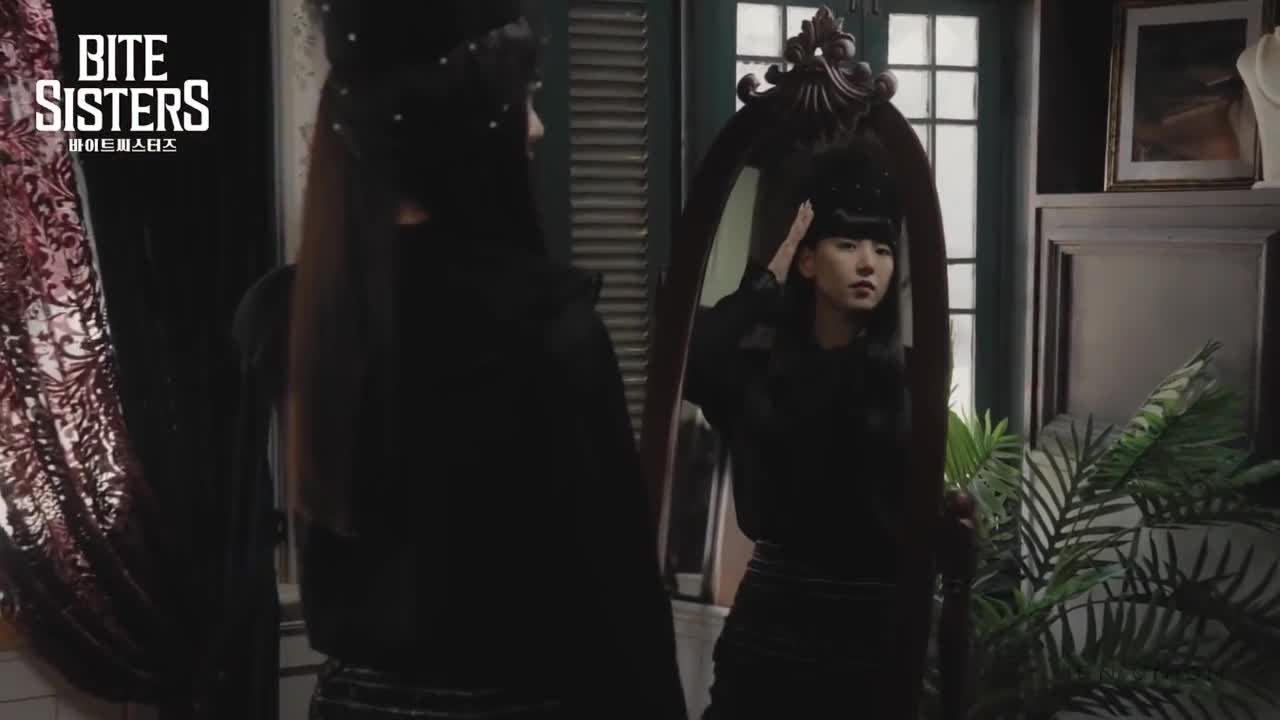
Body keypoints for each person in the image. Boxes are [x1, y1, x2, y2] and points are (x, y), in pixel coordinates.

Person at [232, 2, 687, 718]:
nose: (536, 128)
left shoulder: (291, 319)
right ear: (466, 121)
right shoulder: (543, 331)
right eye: (523, 98)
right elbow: (620, 614)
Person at [687, 138, 911, 718]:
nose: (868, 264)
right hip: (771, 617)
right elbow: (692, 362)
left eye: (883, 249)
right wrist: (771, 273)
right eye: (847, 245)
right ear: (809, 261)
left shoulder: (905, 376)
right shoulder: (762, 370)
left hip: (870, 627)